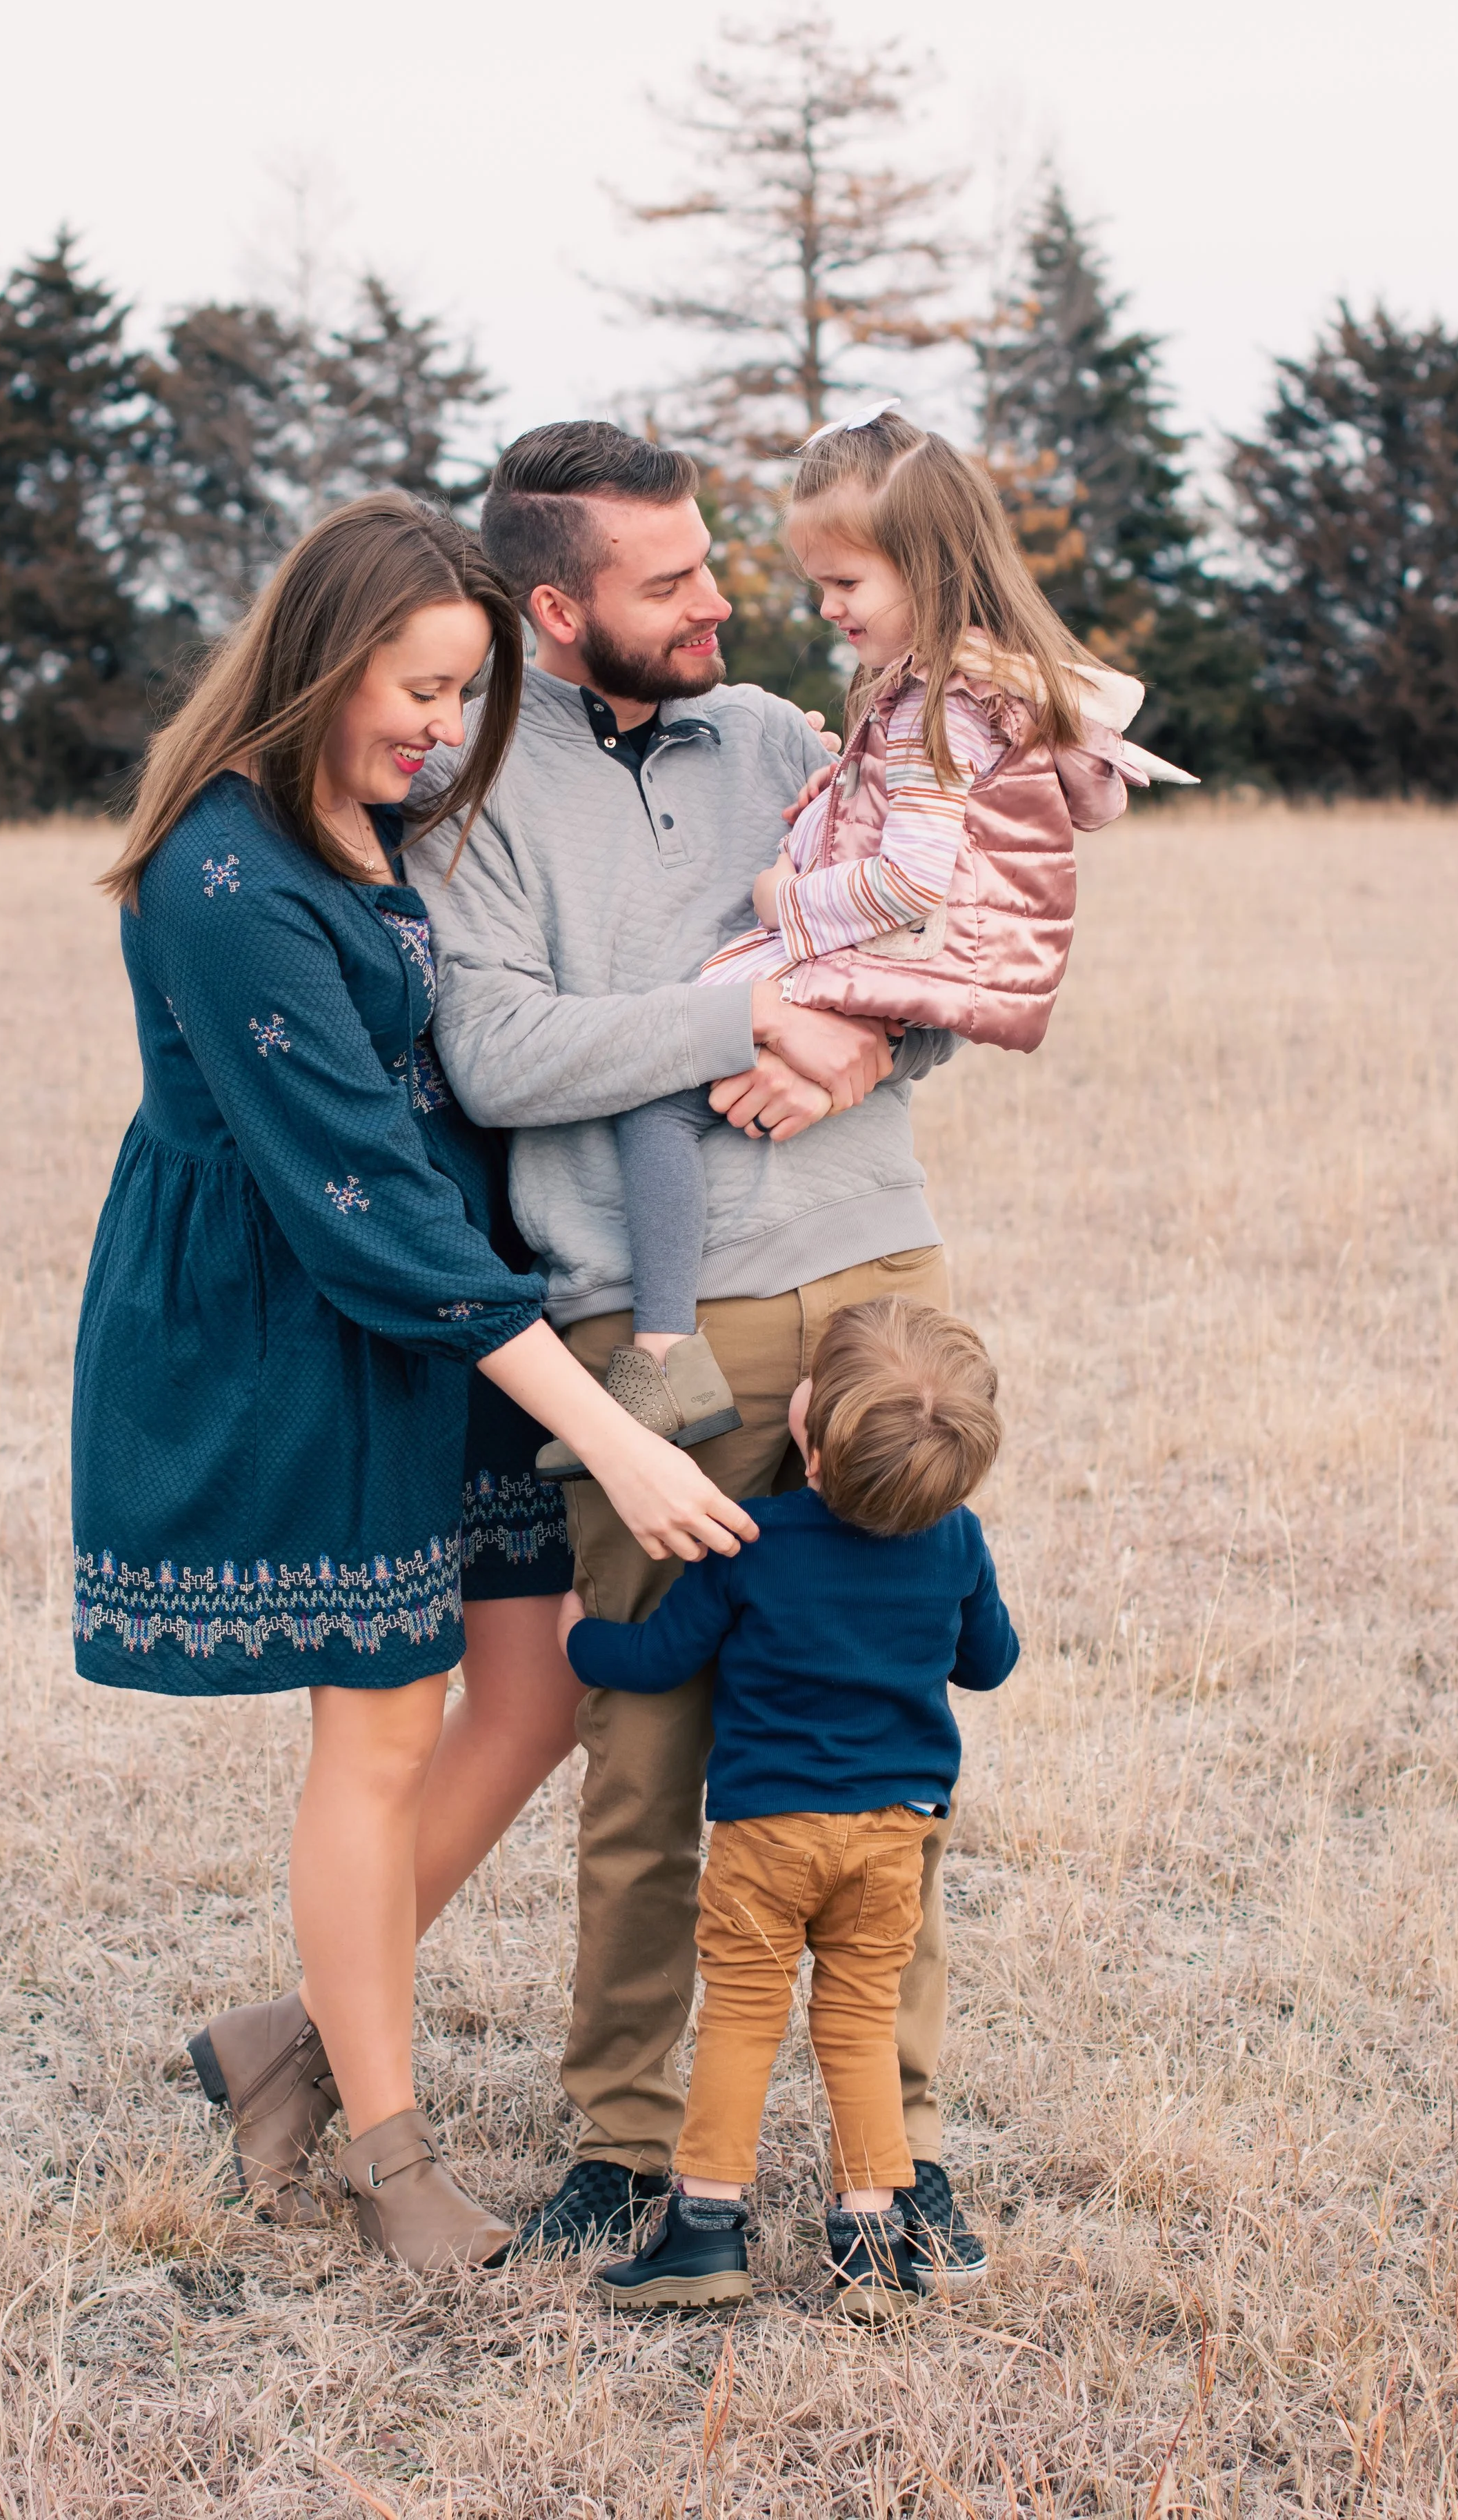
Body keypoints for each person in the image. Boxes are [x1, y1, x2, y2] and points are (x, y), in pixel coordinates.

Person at [70, 493, 755, 2271]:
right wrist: (604, 1430)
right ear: (322, 659)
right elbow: (360, 1203)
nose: (444, 732)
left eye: (468, 699)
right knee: (377, 1728)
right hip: (304, 1320)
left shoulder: (384, 825)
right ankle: (381, 2158)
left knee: (528, 1701)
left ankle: (281, 2044)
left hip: (447, 1310)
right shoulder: (223, 877)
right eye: (423, 689)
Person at [397, 417, 986, 2275]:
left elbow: (946, 952)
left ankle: (899, 2142)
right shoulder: (472, 802)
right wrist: (743, 999)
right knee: (650, 1744)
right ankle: (627, 2141)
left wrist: (864, 1038)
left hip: (875, 1273)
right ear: (554, 607)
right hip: (641, 1329)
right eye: (670, 581)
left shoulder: (789, 743)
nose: (721, 599)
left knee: (877, 1733)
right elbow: (498, 1054)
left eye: (717, 558)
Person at [593, 407, 1188, 1424]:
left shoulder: (929, 708)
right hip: (935, 966)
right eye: (818, 583)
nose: (826, 607)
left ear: (931, 570)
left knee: (660, 1089)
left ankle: (661, 1353)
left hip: (887, 949)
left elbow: (912, 879)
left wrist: (787, 897)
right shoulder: (986, 685)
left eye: (845, 583)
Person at [564, 1298, 1019, 2319]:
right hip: (894, 1833)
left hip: (770, 1835)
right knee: (858, 2026)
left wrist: (578, 1634)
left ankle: (708, 2227)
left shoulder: (753, 1540)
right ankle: (870, 2241)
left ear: (809, 1438)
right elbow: (991, 1662)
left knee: (743, 2019)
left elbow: (659, 1657)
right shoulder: (956, 1543)